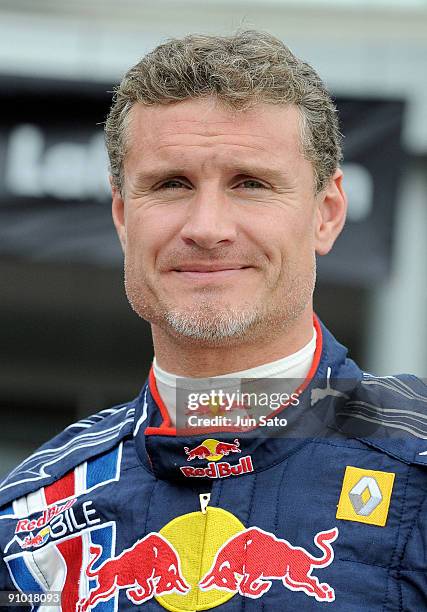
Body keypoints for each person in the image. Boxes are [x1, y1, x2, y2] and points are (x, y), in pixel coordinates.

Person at [0, 30, 426, 611]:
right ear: (123, 215)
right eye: (170, 185)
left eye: (250, 184)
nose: (207, 227)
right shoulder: (29, 517)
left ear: (326, 214)